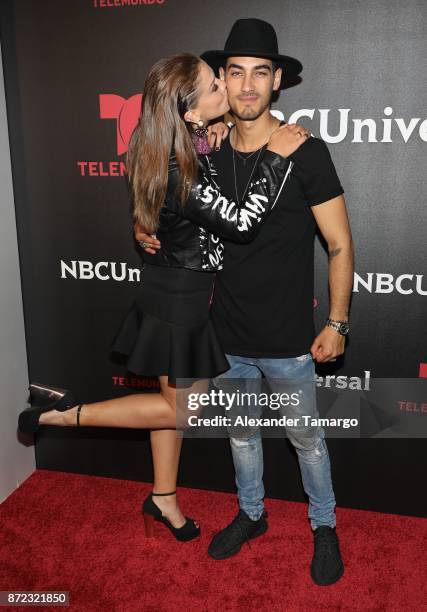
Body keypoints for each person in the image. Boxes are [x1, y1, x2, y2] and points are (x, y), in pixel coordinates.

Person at [18, 52, 310, 543]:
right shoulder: (179, 168)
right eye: (216, 86)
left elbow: (168, 201)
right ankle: (64, 414)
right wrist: (276, 156)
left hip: (175, 289)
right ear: (190, 111)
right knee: (182, 411)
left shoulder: (176, 141)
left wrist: (208, 135)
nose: (228, 89)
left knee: (167, 405)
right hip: (181, 302)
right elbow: (239, 224)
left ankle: (163, 498)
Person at [136, 19, 354, 584]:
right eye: (235, 73)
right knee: (241, 433)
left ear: (277, 81)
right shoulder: (201, 155)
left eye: (261, 72)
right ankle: (251, 514)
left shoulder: (305, 151)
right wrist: (146, 228)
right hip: (223, 334)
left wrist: (338, 321)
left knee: (306, 437)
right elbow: (166, 197)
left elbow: (339, 243)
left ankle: (323, 525)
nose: (248, 85)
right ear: (222, 84)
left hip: (288, 337)